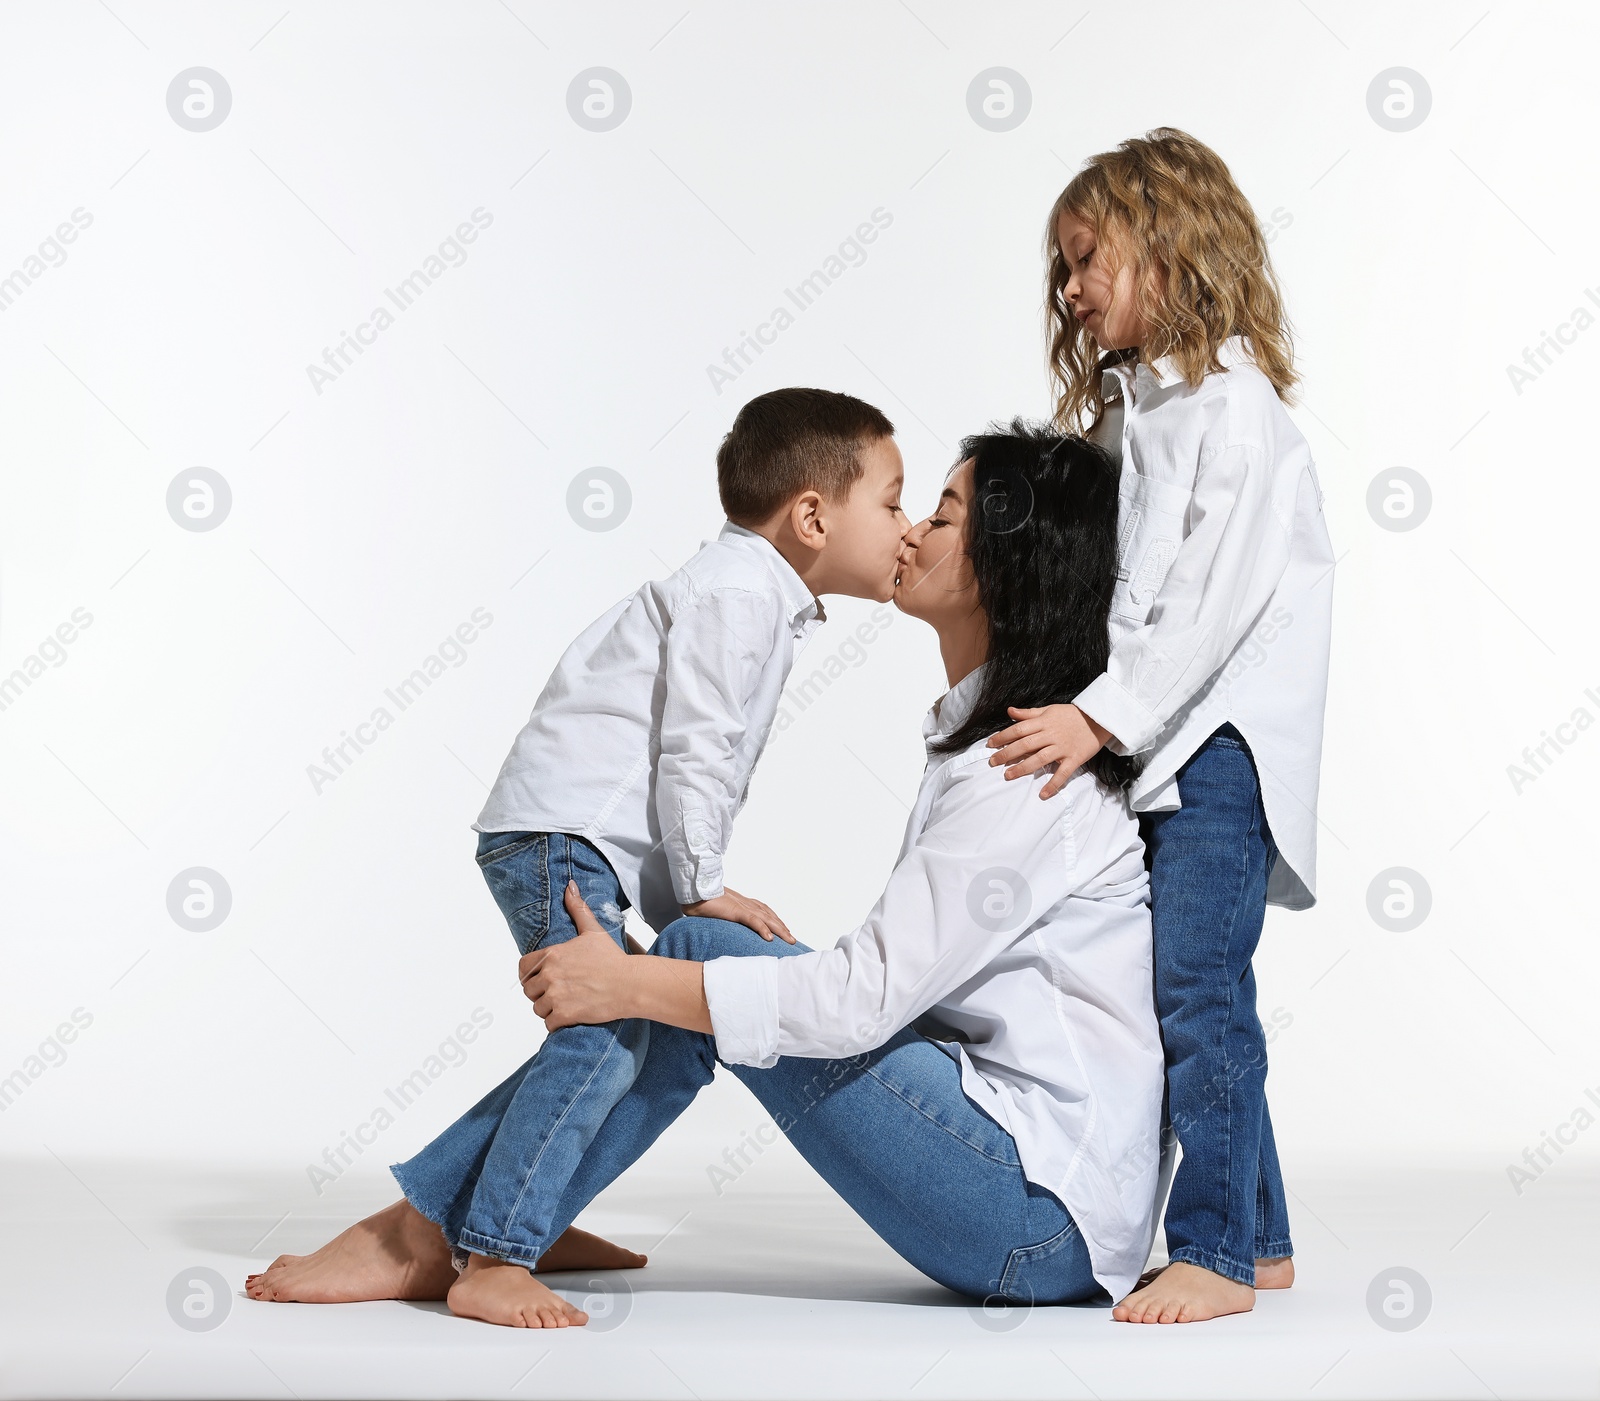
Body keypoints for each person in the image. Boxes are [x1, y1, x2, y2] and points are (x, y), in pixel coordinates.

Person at [246, 422, 1166, 1329]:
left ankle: (438, 1231)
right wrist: (666, 971)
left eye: (941, 513)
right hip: (1023, 1186)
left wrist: (632, 977)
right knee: (702, 961)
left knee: (688, 963)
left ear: (1012, 560)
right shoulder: (987, 743)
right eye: (908, 507)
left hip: (1038, 1222)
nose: (911, 531)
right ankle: (502, 1216)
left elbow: (862, 1000)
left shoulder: (1023, 772)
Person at [246, 386, 909, 1310]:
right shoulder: (737, 591)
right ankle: (492, 1256)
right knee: (599, 1032)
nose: (906, 527)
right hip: (560, 835)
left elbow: (700, 752)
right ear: (810, 516)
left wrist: (686, 900)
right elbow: (698, 746)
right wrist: (702, 890)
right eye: (891, 501)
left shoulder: (756, 593)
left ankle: (526, 1214)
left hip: (578, 836)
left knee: (654, 1035)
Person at [984, 128, 1336, 1323]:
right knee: (1186, 986)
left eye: (1089, 260)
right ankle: (1265, 1234)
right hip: (1158, 748)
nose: (1072, 290)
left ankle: (1218, 1255)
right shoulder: (1140, 416)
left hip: (1218, 749)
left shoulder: (1235, 417)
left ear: (1173, 249)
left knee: (1195, 986)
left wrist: (1097, 717)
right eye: (1064, 271)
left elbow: (1205, 612)